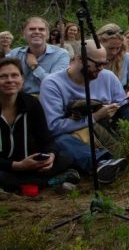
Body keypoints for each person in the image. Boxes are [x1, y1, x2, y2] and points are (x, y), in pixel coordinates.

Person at [38, 40, 129, 182]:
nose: (101, 68)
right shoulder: (53, 83)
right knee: (61, 140)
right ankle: (101, 162)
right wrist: (94, 116)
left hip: (103, 130)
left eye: (105, 63)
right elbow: (53, 127)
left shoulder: (107, 76)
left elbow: (122, 103)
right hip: (72, 135)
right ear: (79, 59)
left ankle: (122, 154)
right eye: (98, 64)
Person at [0, 58, 81, 193]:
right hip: (6, 167)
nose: (10, 80)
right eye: (3, 76)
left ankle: (22, 184)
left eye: (14, 75)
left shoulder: (31, 103)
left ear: (22, 79)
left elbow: (46, 139)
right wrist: (17, 166)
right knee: (2, 177)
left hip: (31, 163)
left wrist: (50, 156)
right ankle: (48, 182)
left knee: (65, 157)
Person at [7, 17, 70, 96]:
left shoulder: (60, 54)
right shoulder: (14, 54)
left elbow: (56, 83)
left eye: (41, 29)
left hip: (48, 98)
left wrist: (35, 67)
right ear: (24, 34)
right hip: (19, 98)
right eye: (32, 29)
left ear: (47, 34)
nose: (37, 32)